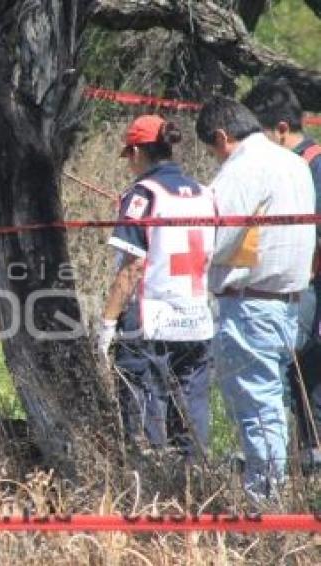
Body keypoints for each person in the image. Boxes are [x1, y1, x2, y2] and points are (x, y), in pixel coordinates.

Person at [196, 96, 315, 502]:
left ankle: (265, 501)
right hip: (288, 302)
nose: (215, 159)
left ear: (221, 137)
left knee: (255, 405)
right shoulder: (294, 163)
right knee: (269, 401)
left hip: (250, 302)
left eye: (214, 151)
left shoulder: (243, 168)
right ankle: (276, 490)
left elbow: (215, 234)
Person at [98, 115, 215, 459]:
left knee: (146, 420)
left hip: (152, 324)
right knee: (192, 421)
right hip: (197, 321)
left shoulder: (141, 195)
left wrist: (107, 324)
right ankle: (194, 493)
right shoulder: (205, 193)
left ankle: (153, 497)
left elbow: (132, 268)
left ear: (136, 152)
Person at [242, 80, 321, 464]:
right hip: (295, 289)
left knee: (297, 375)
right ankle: (298, 462)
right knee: (296, 379)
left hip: (308, 291)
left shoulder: (311, 167)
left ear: (282, 130)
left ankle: (302, 466)